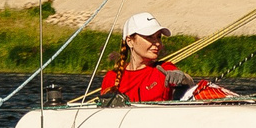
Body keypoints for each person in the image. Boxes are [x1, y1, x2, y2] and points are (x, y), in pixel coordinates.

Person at [98, 13, 230, 103]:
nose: (158, 43)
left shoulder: (163, 69)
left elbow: (189, 82)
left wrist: (182, 77)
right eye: (150, 37)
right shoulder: (111, 78)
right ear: (130, 41)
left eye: (159, 37)